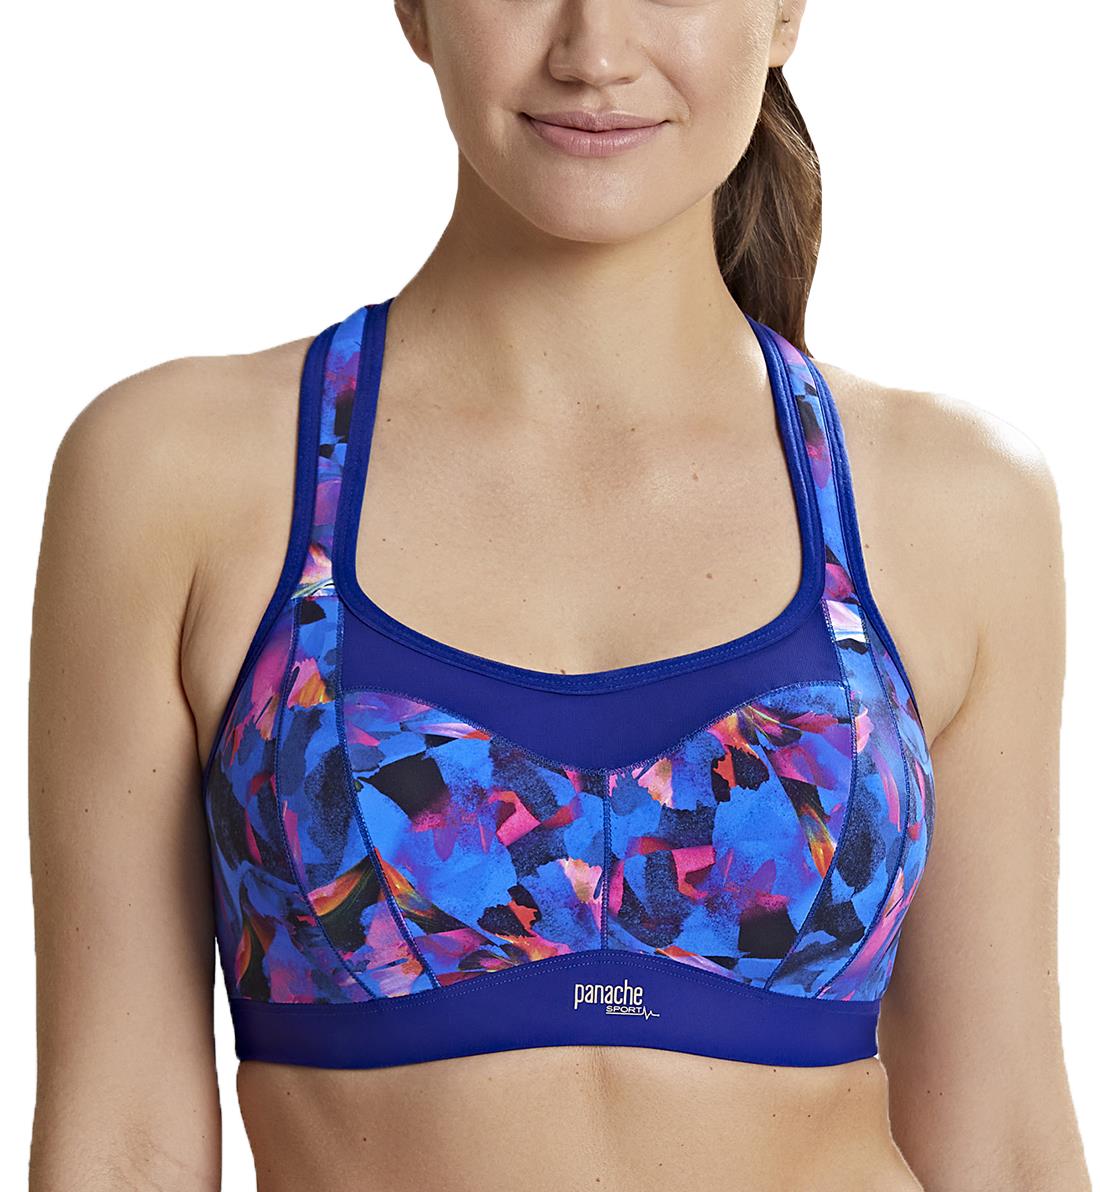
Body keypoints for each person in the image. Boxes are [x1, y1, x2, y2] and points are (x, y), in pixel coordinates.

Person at [28, 2, 1091, 1190]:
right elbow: (118, 1143)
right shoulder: (178, 477)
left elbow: (1000, 1139)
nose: (592, 54)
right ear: (414, 9)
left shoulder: (952, 502)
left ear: (785, 11)